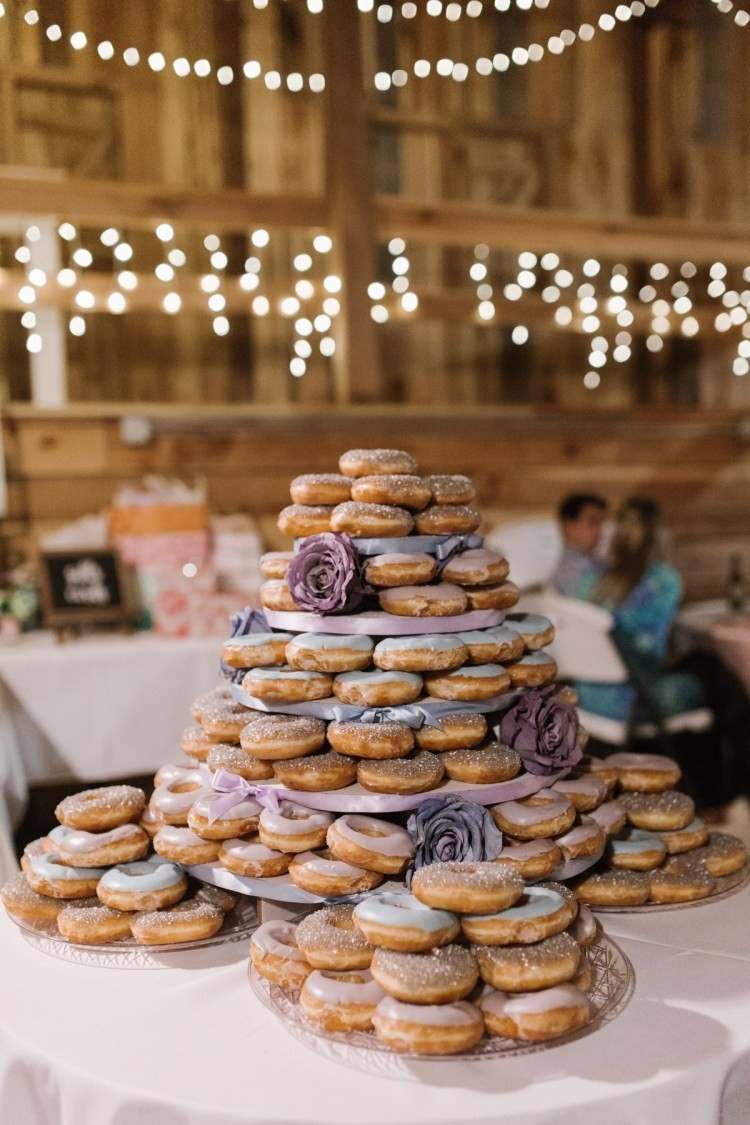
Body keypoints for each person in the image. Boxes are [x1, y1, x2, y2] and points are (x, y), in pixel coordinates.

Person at [572, 498, 704, 724]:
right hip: (633, 702)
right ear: (659, 535)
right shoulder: (664, 581)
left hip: (587, 697)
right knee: (708, 678)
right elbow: (651, 656)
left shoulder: (589, 579)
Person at [551, 493, 608, 597]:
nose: (599, 530)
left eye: (601, 523)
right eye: (592, 522)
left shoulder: (596, 561)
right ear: (569, 526)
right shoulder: (570, 571)